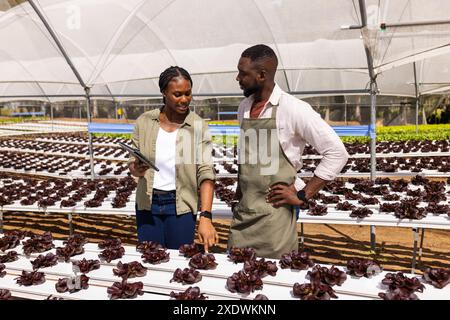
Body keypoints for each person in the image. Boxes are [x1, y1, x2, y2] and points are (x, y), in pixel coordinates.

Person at [228, 44, 349, 259]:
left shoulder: (293, 108)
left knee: (273, 277)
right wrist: (239, 194)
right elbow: (249, 157)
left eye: (243, 73)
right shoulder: (243, 108)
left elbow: (337, 152)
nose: (238, 78)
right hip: (243, 214)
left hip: (275, 217)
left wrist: (303, 194)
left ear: (262, 75)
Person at [128, 66, 219, 252]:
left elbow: (206, 171)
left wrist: (206, 215)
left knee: (179, 259)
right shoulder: (144, 121)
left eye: (188, 93)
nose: (184, 99)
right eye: (177, 94)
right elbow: (133, 163)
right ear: (164, 93)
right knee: (149, 258)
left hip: (181, 206)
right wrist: (136, 168)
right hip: (148, 203)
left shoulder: (197, 125)